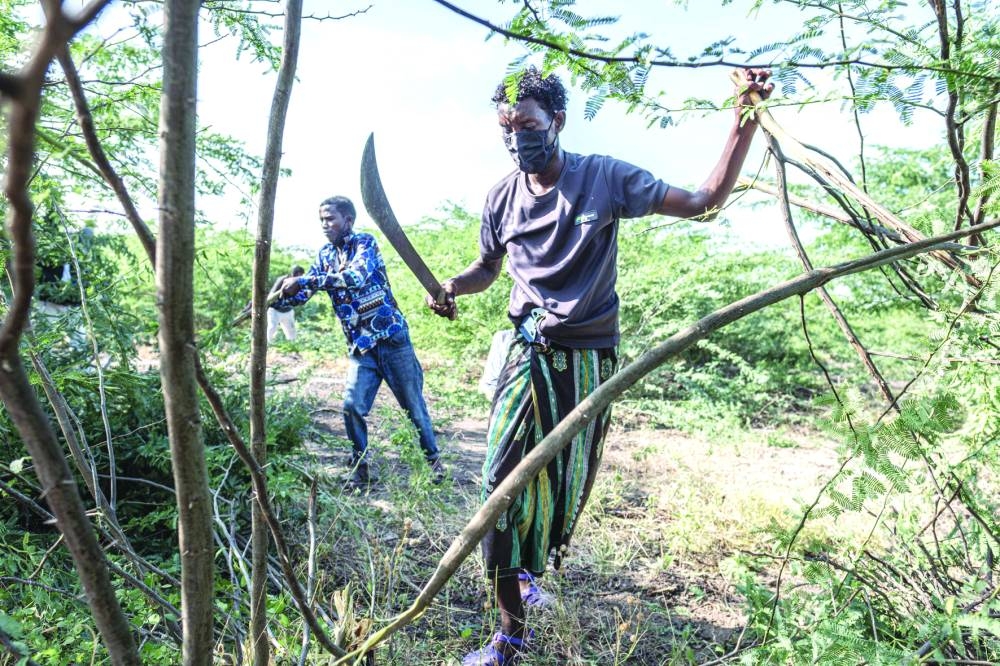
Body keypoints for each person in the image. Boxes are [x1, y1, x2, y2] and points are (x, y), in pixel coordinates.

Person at [427, 66, 773, 665]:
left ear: (557, 122)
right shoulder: (500, 196)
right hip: (525, 352)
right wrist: (455, 285)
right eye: (507, 128)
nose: (518, 139)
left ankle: (530, 573)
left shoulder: (603, 178)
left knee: (561, 485)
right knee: (501, 484)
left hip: (587, 360)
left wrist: (743, 117)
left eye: (529, 125)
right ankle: (509, 633)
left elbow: (703, 203)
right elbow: (488, 266)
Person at [277, 195, 444, 485]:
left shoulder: (365, 243)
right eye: (322, 220)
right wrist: (283, 294)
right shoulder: (324, 256)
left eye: (330, 219)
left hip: (391, 339)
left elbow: (355, 277)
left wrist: (305, 282)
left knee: (414, 408)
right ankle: (360, 471)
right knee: (352, 406)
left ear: (348, 220)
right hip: (360, 347)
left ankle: (434, 465)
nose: (325, 225)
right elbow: (305, 294)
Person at [266, 264, 305, 343]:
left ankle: (292, 346)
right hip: (275, 310)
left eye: (301, 274)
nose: (299, 276)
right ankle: (268, 345)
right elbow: (271, 295)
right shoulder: (283, 279)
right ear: (294, 273)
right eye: (298, 274)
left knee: (291, 332)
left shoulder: (300, 282)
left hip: (288, 310)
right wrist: (283, 291)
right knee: (272, 328)